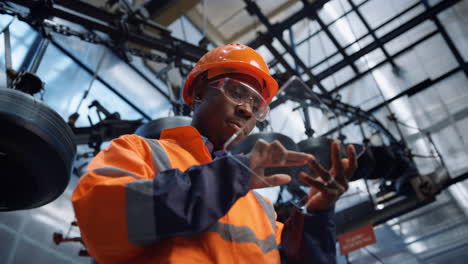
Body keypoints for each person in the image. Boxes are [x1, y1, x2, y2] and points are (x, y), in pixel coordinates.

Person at [72, 43, 357, 264]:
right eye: (236, 91)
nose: (247, 109)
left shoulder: (262, 209)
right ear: (198, 93)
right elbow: (102, 223)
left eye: (256, 105)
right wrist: (232, 176)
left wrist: (316, 216)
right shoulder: (139, 150)